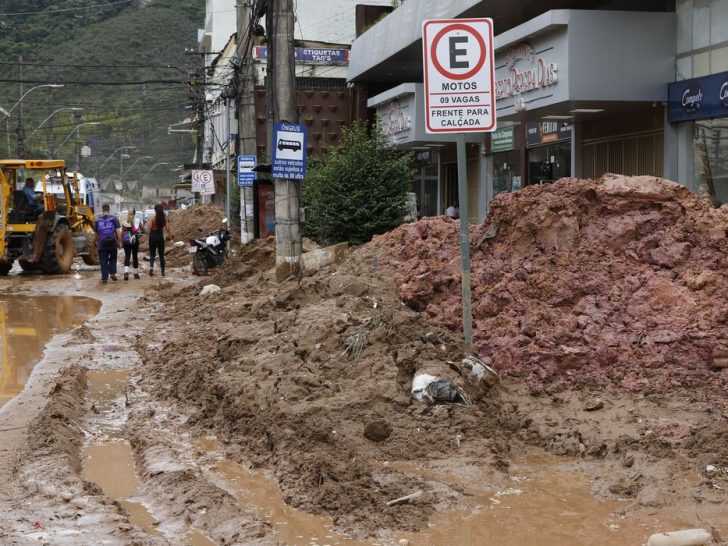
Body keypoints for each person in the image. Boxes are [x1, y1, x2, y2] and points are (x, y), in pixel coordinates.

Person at [94, 204, 121, 284]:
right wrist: (119, 241)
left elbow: (96, 233)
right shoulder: (114, 218)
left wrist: (96, 243)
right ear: (109, 209)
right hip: (112, 242)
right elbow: (118, 231)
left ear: (103, 210)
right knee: (113, 258)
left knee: (103, 260)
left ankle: (104, 278)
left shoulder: (98, 220)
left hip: (102, 243)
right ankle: (112, 273)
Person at [147, 203, 173, 277]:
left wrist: (149, 222)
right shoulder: (164, 219)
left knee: (152, 254)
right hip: (160, 236)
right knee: (161, 255)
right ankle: (162, 272)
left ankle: (151, 267)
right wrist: (171, 239)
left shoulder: (152, 218)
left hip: (152, 236)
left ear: (155, 211)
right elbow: (168, 229)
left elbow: (149, 227)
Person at [121, 209, 144, 280]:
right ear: (135, 213)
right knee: (135, 256)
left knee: (127, 256)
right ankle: (136, 274)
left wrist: (121, 241)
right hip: (135, 240)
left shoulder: (124, 221)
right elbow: (143, 229)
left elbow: (122, 232)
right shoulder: (138, 220)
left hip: (126, 241)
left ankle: (126, 273)